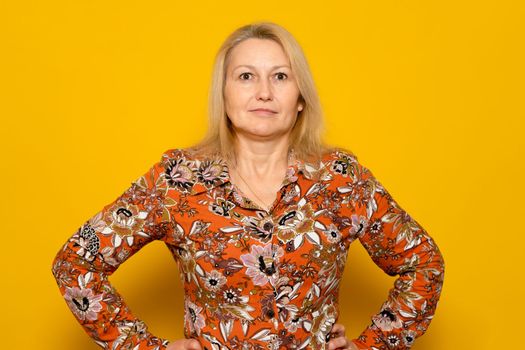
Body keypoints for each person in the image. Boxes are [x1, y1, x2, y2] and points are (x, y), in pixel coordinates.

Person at [51, 22, 445, 350]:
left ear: (300, 97)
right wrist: (143, 346)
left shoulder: (341, 179)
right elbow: (75, 263)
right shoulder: (177, 180)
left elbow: (424, 264)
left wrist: (373, 344)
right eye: (245, 76)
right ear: (224, 95)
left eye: (280, 76)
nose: (264, 92)